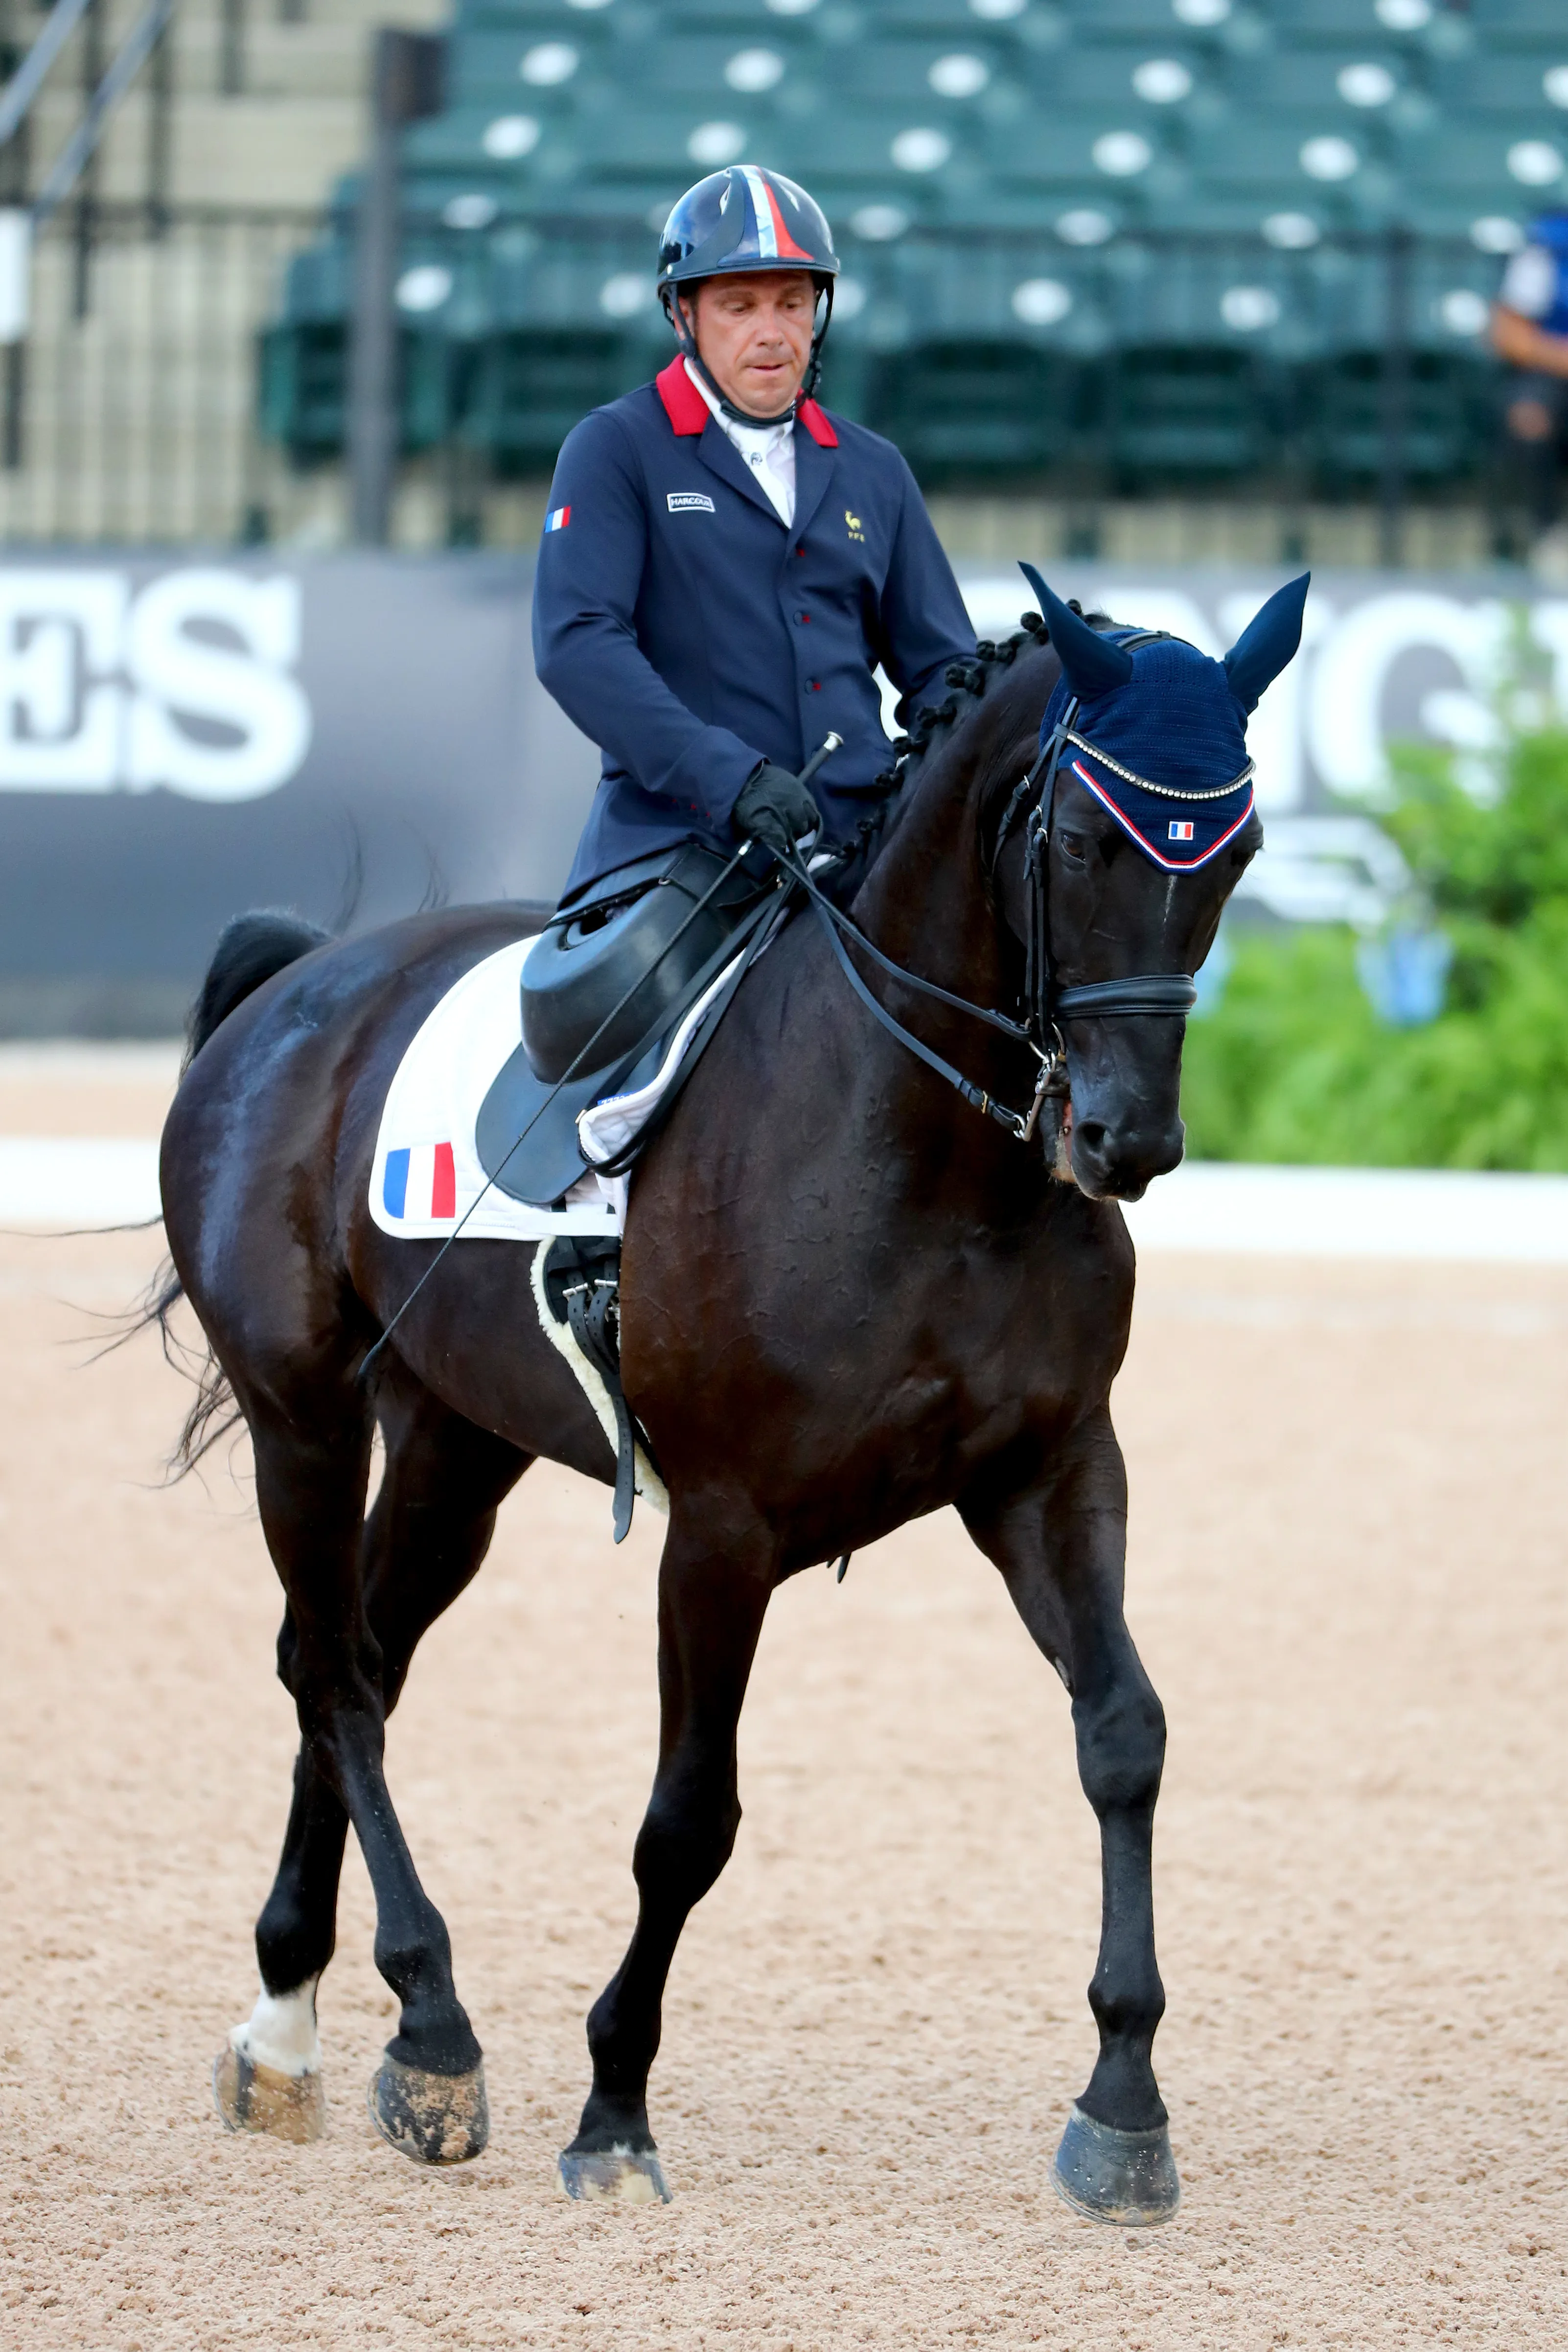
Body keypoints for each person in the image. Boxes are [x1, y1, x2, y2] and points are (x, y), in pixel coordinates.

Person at [532, 164, 978, 905]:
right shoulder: (615, 447)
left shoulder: (877, 469)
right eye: (739, 307)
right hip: (678, 850)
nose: (772, 334)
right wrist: (727, 778)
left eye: (792, 304)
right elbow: (577, 643)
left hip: (864, 851)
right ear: (683, 314)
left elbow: (944, 669)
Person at [1491, 211, 1568, 550]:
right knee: (1530, 417)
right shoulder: (1549, 247)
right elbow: (1509, 336)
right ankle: (1547, 536)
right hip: (1553, 371)